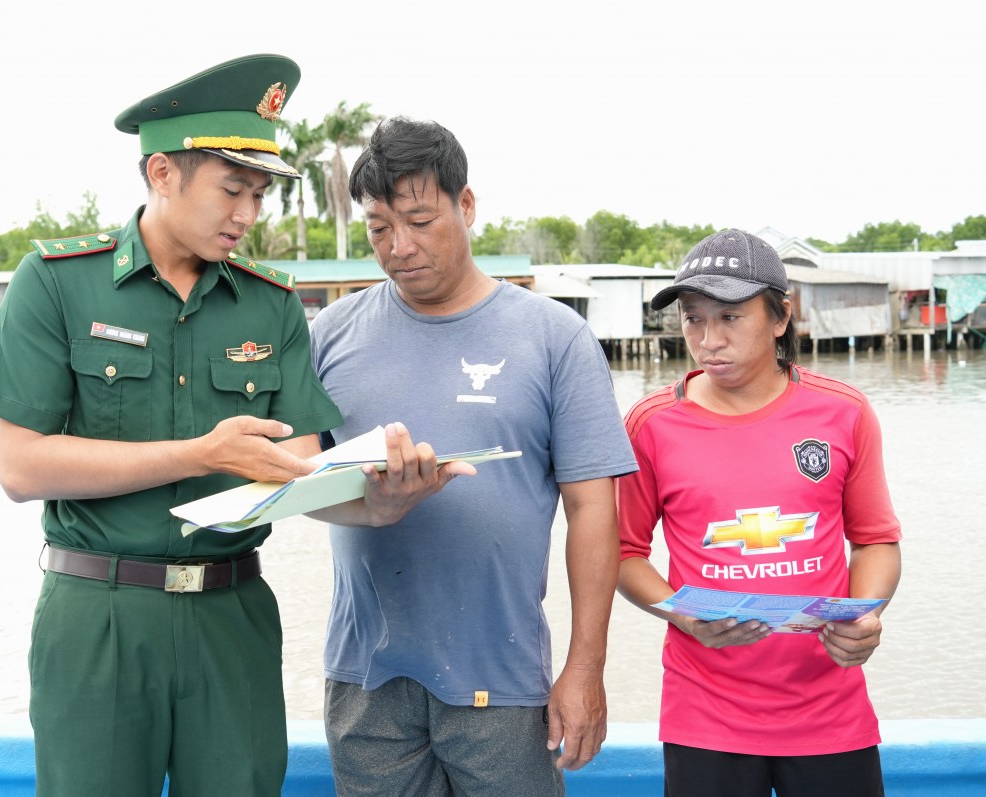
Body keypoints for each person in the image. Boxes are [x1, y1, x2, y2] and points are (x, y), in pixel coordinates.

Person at [0, 54, 347, 796]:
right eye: (232, 189)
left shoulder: (271, 304)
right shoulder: (54, 282)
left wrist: (389, 484)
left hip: (231, 614)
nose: (248, 215)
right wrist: (199, 452)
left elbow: (300, 464)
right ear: (161, 174)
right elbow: (20, 467)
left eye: (261, 193)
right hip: (99, 616)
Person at [306, 117, 638, 795]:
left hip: (502, 676)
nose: (399, 247)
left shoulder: (555, 339)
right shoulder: (331, 333)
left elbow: (593, 511)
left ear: (467, 205)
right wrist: (371, 500)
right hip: (366, 678)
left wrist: (585, 666)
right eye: (378, 228)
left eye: (421, 220)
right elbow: (290, 480)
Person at [615, 228, 903, 797]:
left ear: (780, 317)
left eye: (729, 317)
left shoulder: (842, 413)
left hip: (830, 710)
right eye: (693, 318)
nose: (707, 339)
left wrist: (862, 619)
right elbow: (623, 555)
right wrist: (682, 616)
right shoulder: (651, 425)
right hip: (705, 714)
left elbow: (874, 540)